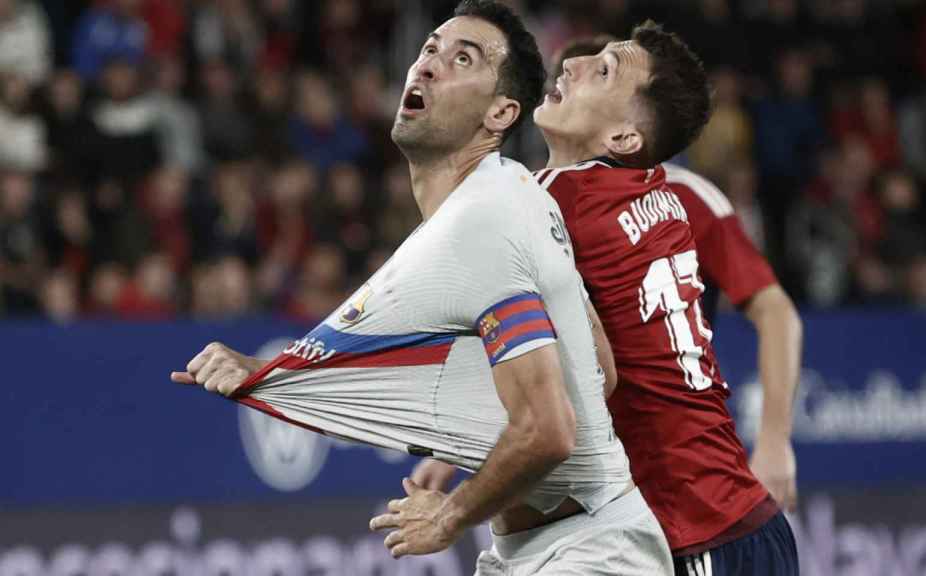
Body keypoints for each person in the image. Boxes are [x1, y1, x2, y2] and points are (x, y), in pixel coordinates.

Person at [170, 2, 672, 574]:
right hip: (551, 544)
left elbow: (550, 429)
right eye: (431, 47)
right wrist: (472, 442)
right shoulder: (513, 192)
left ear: (502, 112)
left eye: (464, 58)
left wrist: (449, 516)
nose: (428, 65)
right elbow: (598, 370)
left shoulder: (483, 221)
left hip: (590, 553)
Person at [413, 30, 801, 575]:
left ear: (623, 136)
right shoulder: (666, 192)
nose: (571, 66)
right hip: (731, 519)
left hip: (688, 529)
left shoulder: (550, 205)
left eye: (602, 70)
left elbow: (592, 372)